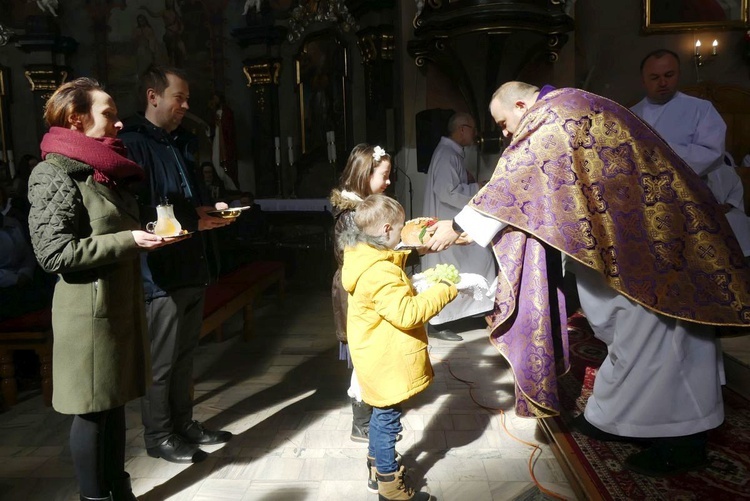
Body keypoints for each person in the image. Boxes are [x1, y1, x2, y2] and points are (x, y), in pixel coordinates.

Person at [425, 81, 750, 476]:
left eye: (504, 122)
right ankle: (618, 419)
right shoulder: (569, 107)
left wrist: (457, 225)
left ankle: (682, 440)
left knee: (661, 340)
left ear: (523, 104)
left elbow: (518, 180)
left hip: (650, 248)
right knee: (633, 336)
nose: (506, 133)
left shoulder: (553, 116)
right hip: (634, 237)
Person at [26, 77, 176, 501]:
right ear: (77, 119)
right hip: (86, 318)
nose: (119, 124)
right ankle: (95, 497)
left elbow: (112, 224)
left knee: (112, 410)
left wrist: (170, 225)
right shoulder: (52, 173)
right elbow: (53, 254)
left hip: (116, 308)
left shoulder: (103, 170)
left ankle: (117, 490)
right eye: (107, 114)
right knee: (91, 415)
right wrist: (130, 241)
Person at [119, 65, 234, 464]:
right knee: (162, 361)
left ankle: (184, 424)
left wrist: (207, 209)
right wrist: (192, 219)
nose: (186, 105)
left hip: (191, 261)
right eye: (179, 98)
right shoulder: (132, 143)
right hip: (161, 271)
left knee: (185, 355)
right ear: (153, 96)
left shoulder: (182, 141)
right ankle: (159, 434)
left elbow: (186, 196)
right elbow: (140, 207)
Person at [340, 194, 457, 500]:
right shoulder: (379, 272)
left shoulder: (364, 256)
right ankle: (390, 488)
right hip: (386, 360)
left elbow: (389, 267)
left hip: (377, 355)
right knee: (387, 420)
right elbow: (407, 314)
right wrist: (445, 290)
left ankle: (377, 467)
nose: (404, 231)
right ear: (388, 229)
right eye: (401, 227)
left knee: (382, 416)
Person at [631, 49, 750, 256]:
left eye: (669, 75)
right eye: (654, 77)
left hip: (691, 197)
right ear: (643, 80)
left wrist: (659, 150)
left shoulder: (701, 109)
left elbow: (712, 153)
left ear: (678, 73)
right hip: (647, 199)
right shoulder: (630, 116)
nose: (663, 83)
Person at [329, 144, 393, 444]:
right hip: (355, 294)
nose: (388, 181)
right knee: (362, 359)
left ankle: (372, 407)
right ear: (365, 175)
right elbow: (358, 257)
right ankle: (362, 421)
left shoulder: (361, 208)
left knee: (368, 356)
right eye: (384, 175)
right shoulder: (352, 214)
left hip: (362, 290)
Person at [420, 111, 495, 341]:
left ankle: (476, 311)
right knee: (461, 267)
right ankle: (439, 322)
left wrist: (469, 182)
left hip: (455, 219)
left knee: (482, 260)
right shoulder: (446, 154)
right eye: (472, 129)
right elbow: (446, 192)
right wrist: (477, 189)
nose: (475, 135)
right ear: (462, 129)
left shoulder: (451, 153)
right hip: (448, 222)